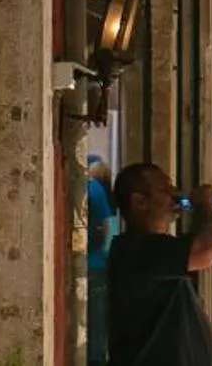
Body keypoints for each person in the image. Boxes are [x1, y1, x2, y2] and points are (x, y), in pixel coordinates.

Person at [104, 163, 212, 366]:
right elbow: (207, 250)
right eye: (164, 189)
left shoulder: (157, 251)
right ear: (140, 202)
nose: (174, 194)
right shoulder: (138, 251)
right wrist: (203, 205)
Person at [85, 156, 119, 365]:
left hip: (93, 265)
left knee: (95, 325)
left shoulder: (92, 188)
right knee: (97, 324)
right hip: (99, 266)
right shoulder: (102, 192)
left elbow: (108, 226)